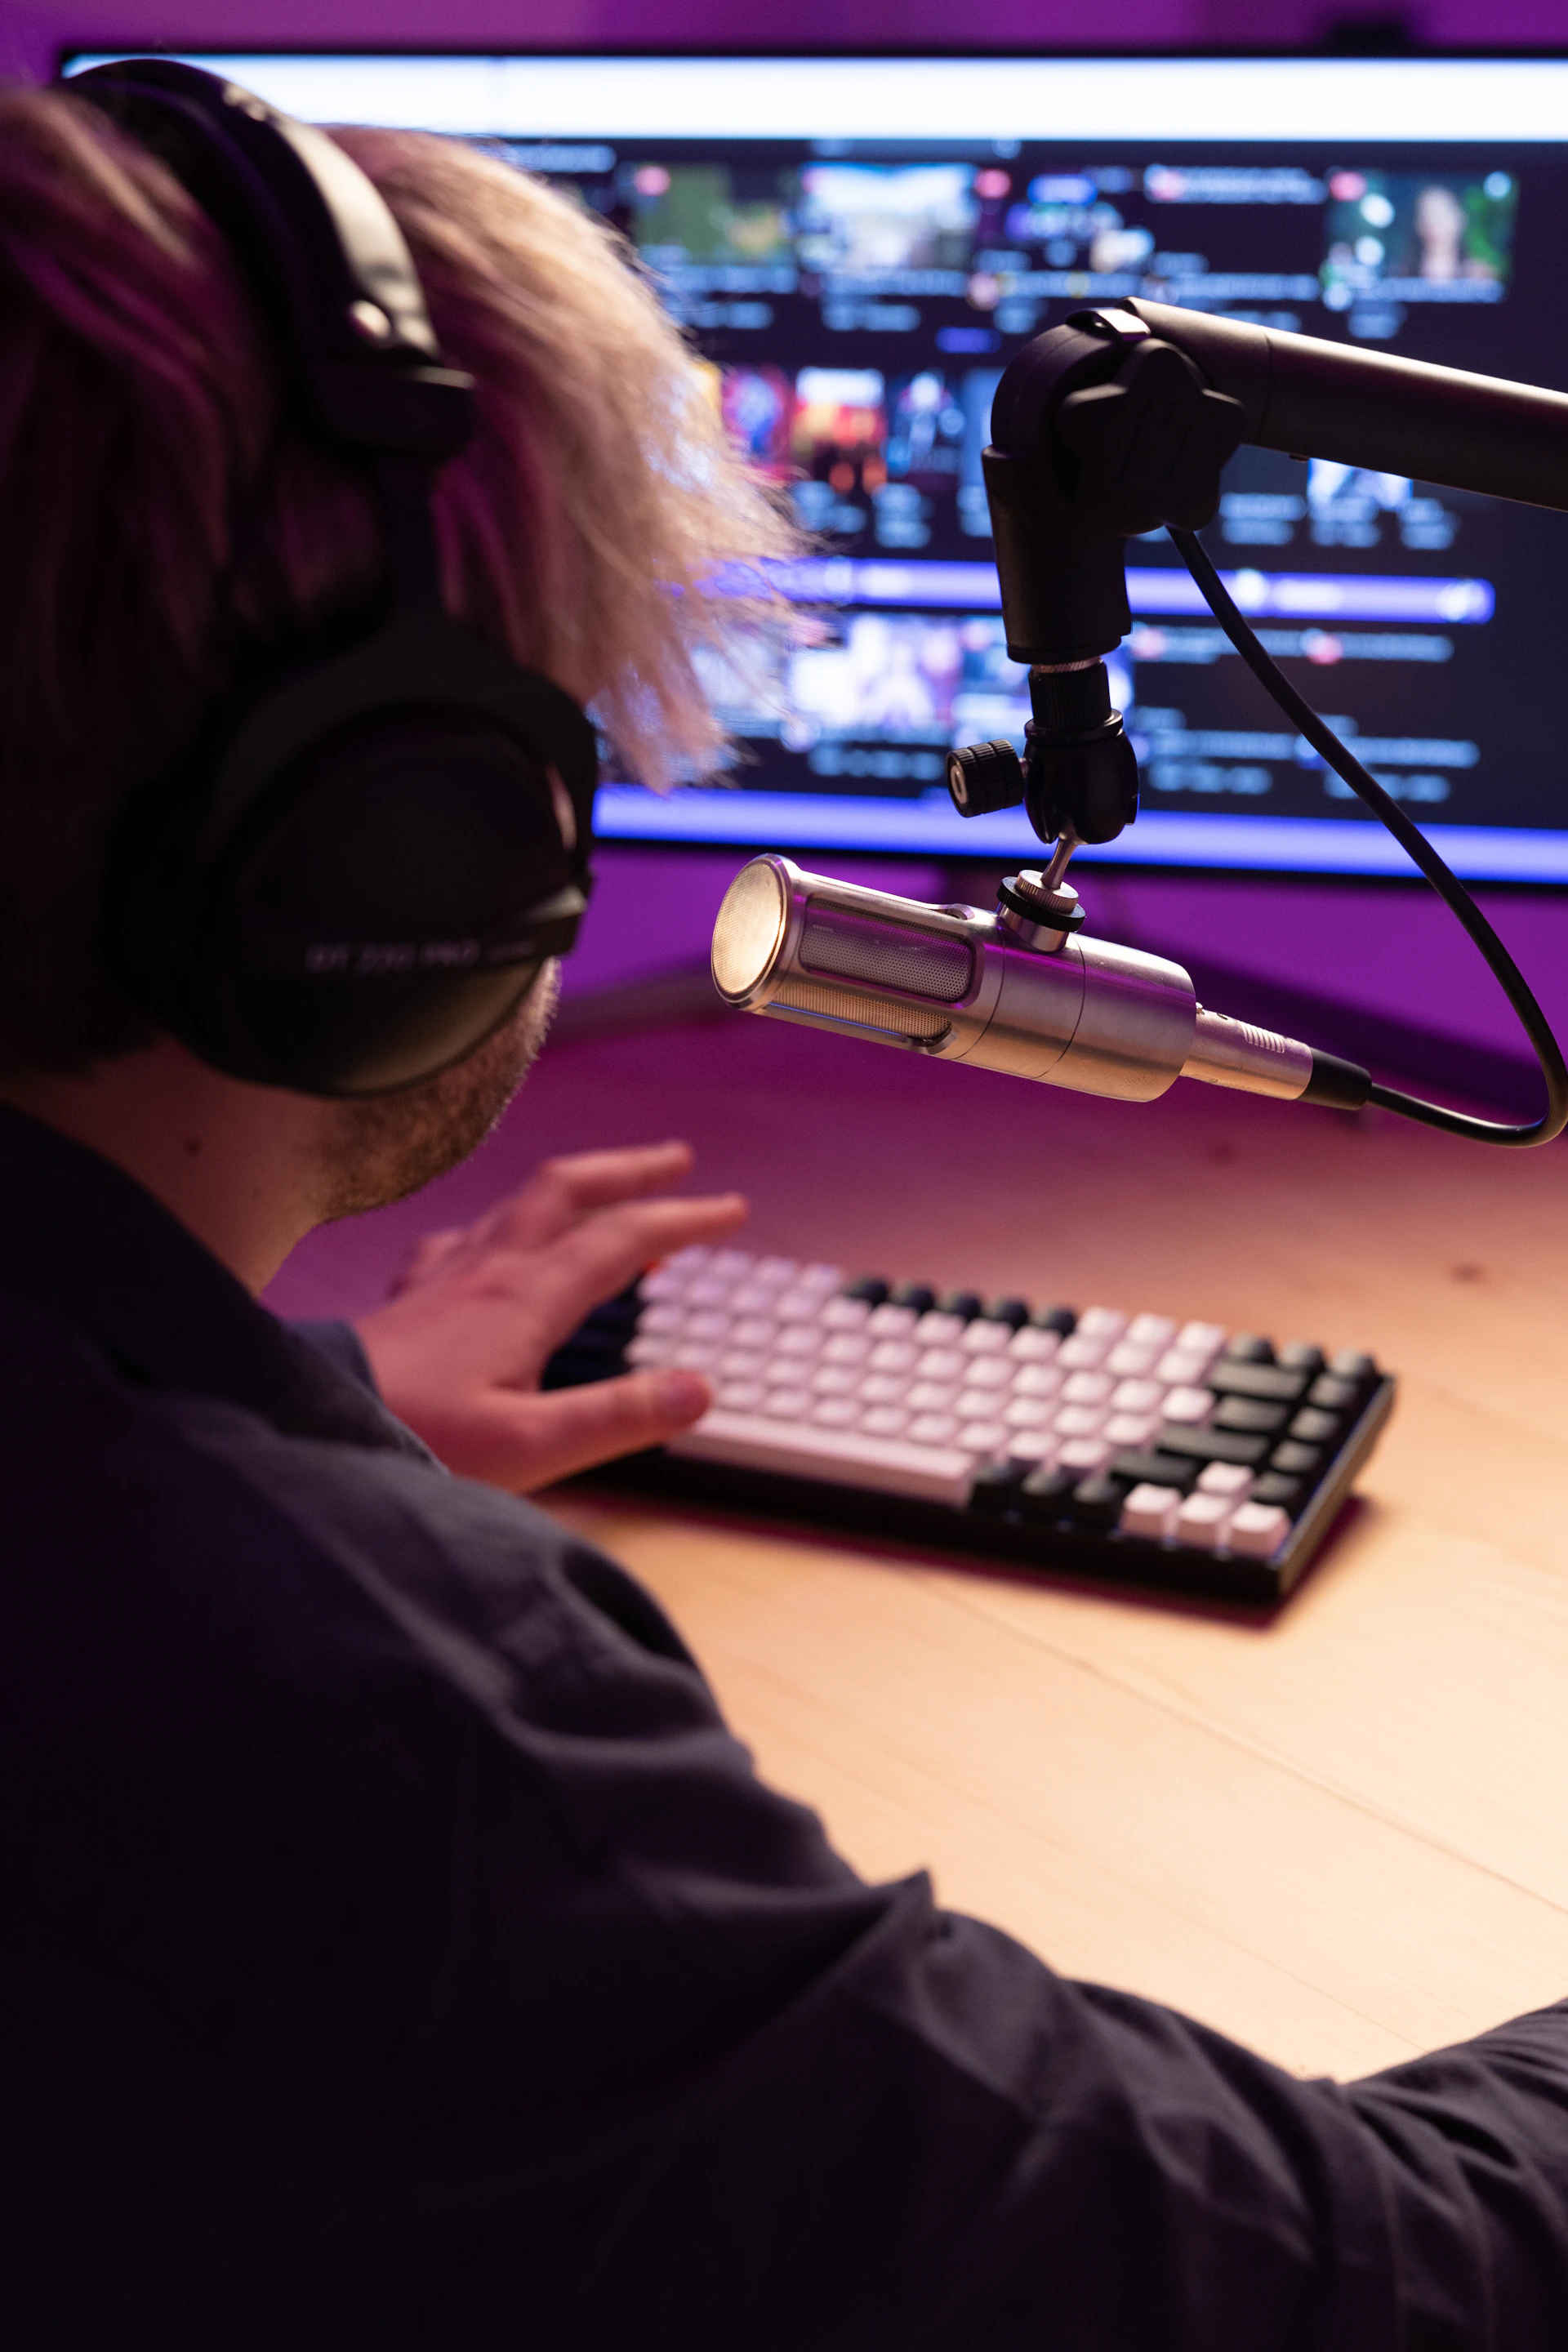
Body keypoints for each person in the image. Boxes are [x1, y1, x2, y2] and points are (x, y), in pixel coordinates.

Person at [3, 78, 1568, 2352]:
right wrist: (301, 1552)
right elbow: (1363, 2290)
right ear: (407, 849)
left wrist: (300, 1420)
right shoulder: (357, 1735)